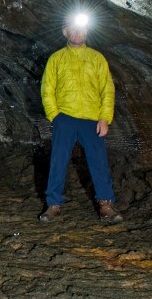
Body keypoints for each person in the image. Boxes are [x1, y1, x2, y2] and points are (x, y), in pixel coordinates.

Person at [39, 13, 123, 223]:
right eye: (73, 29)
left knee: (99, 162)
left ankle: (106, 205)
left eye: (81, 29)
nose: (77, 33)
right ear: (65, 32)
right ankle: (54, 205)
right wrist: (55, 115)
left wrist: (105, 118)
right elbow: (47, 88)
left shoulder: (97, 58)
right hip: (64, 117)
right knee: (58, 162)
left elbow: (107, 90)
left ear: (86, 32)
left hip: (91, 120)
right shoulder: (56, 59)